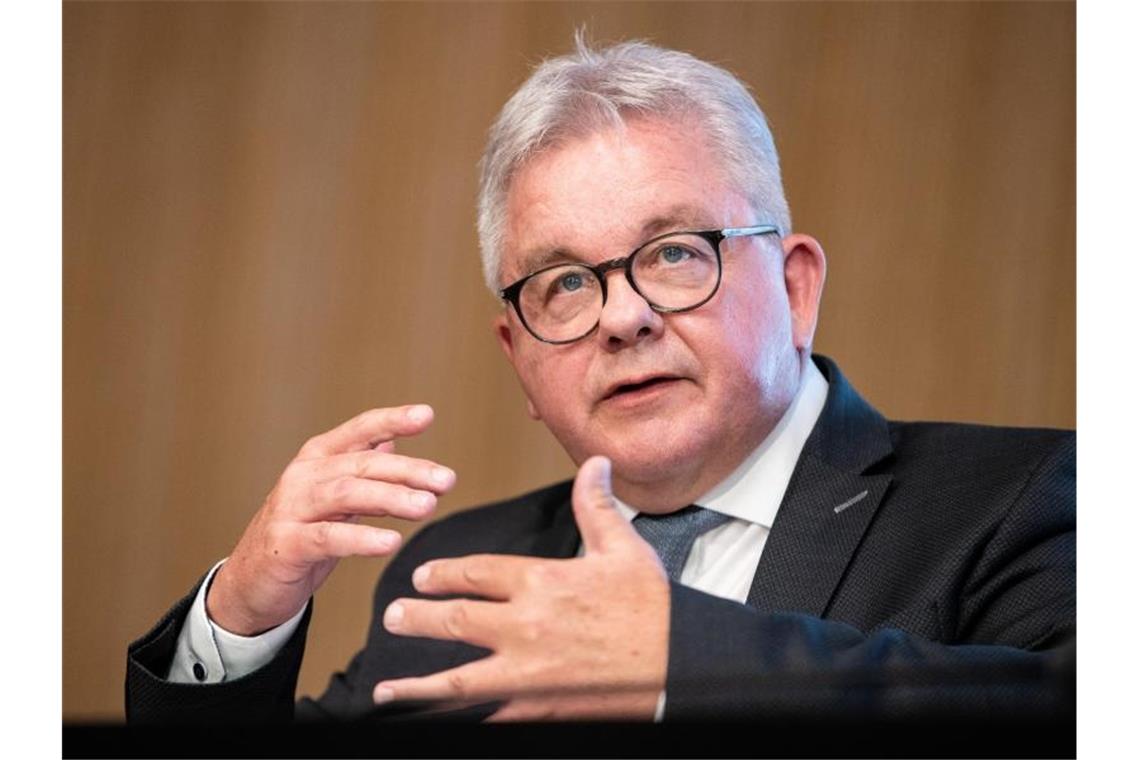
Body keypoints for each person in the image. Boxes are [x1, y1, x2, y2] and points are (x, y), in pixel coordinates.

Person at [126, 37, 1074, 726]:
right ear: (520, 360)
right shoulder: (462, 572)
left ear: (794, 287)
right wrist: (242, 614)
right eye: (567, 282)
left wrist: (678, 667)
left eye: (671, 253)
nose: (623, 317)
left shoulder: (1017, 500)